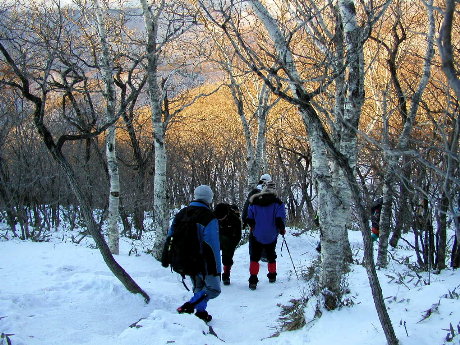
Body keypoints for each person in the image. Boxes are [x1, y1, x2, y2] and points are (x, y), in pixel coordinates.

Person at [163, 185, 221, 322]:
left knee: (198, 286)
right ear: (209, 198)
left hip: (184, 259)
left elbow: (170, 236)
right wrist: (215, 269)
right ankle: (188, 306)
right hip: (203, 261)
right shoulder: (209, 217)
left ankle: (201, 313)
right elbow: (212, 245)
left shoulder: (182, 213)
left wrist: (166, 257)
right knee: (214, 289)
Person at [246, 181, 286, 290]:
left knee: (255, 257)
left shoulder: (254, 202)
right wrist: (282, 230)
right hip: (271, 234)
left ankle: (253, 280)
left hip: (257, 233)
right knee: (271, 254)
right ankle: (272, 276)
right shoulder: (278, 203)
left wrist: (254, 227)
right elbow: (279, 220)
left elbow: (249, 219)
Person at [214, 203, 242, 285]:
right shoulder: (213, 217)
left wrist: (232, 245)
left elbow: (238, 236)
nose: (220, 220)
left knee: (227, 259)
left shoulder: (235, 219)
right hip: (216, 239)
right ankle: (214, 275)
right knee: (213, 257)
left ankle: (226, 275)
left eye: (222, 218)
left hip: (229, 240)